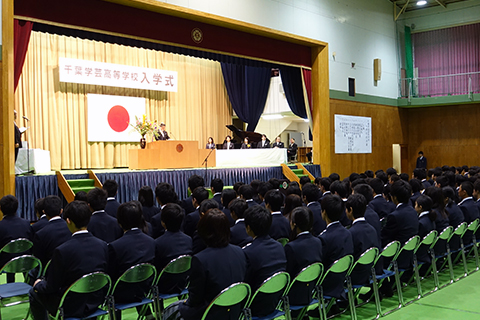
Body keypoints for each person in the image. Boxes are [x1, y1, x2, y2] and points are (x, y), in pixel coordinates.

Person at [29, 200, 109, 320]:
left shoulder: (62, 251)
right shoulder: (103, 245)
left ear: (68, 221)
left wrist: (38, 284)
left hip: (70, 305)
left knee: (33, 292)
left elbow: (51, 287)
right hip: (95, 301)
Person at [163, 209, 247, 320]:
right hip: (235, 310)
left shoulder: (200, 259)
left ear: (204, 231)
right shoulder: (240, 251)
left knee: (169, 310)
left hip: (209, 313)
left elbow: (195, 299)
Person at [108, 201, 155, 318]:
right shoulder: (151, 242)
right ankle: (148, 315)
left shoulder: (115, 246)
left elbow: (111, 273)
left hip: (121, 293)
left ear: (119, 222)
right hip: (145, 289)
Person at [243, 205, 287, 317]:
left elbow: (245, 283)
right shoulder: (279, 246)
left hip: (253, 307)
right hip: (275, 301)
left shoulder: (248, 252)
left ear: (248, 228)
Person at [284, 207, 322, 307]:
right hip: (311, 290)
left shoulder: (291, 247)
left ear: (294, 223)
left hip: (293, 295)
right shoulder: (318, 242)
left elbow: (288, 274)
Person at [154, 203, 192, 294]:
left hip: (163, 286)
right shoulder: (188, 240)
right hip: (184, 283)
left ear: (163, 222)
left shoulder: (158, 243)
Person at [0, 195, 33, 283]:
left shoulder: (1, 226)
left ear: (1, 209)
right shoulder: (26, 223)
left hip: (5, 263)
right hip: (25, 260)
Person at [32, 196, 71, 267]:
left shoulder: (40, 234)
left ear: (44, 212)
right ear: (61, 211)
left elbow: (38, 261)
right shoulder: (71, 228)